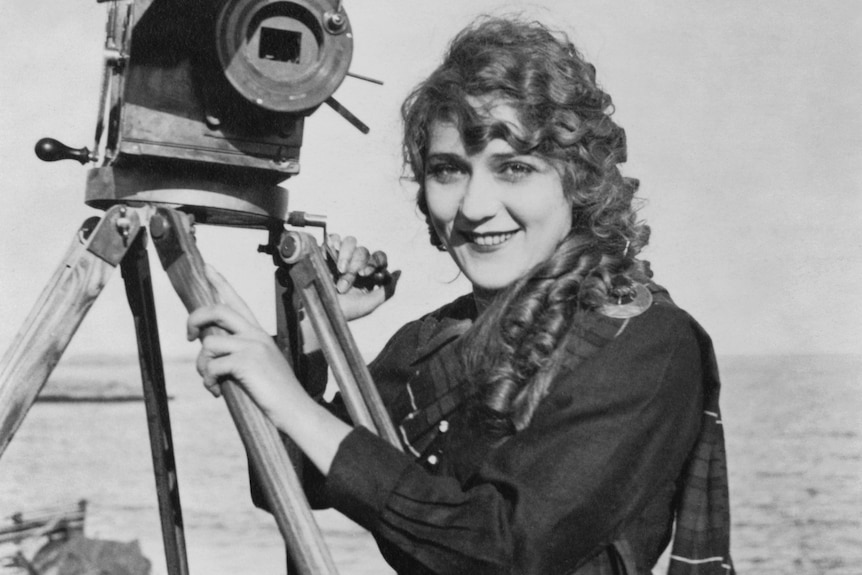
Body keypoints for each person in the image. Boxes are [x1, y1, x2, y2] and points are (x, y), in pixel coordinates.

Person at [187, 16, 734, 575]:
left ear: (578, 180)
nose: (474, 206)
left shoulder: (643, 341)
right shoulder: (434, 341)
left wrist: (294, 403)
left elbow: (503, 548)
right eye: (448, 171)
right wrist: (313, 330)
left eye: (514, 169)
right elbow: (285, 478)